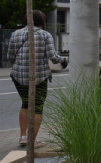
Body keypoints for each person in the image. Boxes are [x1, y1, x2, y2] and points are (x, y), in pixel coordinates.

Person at [8, 10, 68, 147]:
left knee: (25, 103)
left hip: (18, 76)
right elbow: (53, 56)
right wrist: (63, 61)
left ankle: (23, 137)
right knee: (38, 107)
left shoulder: (15, 34)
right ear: (42, 21)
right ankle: (32, 141)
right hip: (39, 77)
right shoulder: (45, 35)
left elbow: (10, 57)